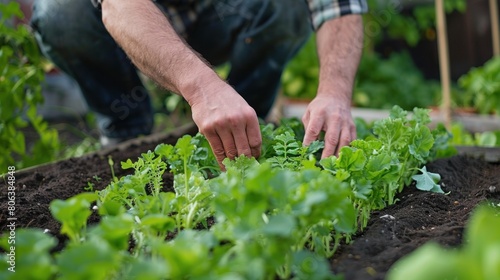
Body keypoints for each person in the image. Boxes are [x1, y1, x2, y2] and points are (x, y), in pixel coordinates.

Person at [30, 0, 367, 168]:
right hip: (137, 25)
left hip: (224, 13)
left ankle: (248, 127)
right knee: (61, 13)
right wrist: (203, 89)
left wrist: (335, 93)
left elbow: (339, 5)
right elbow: (120, 5)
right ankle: (126, 135)